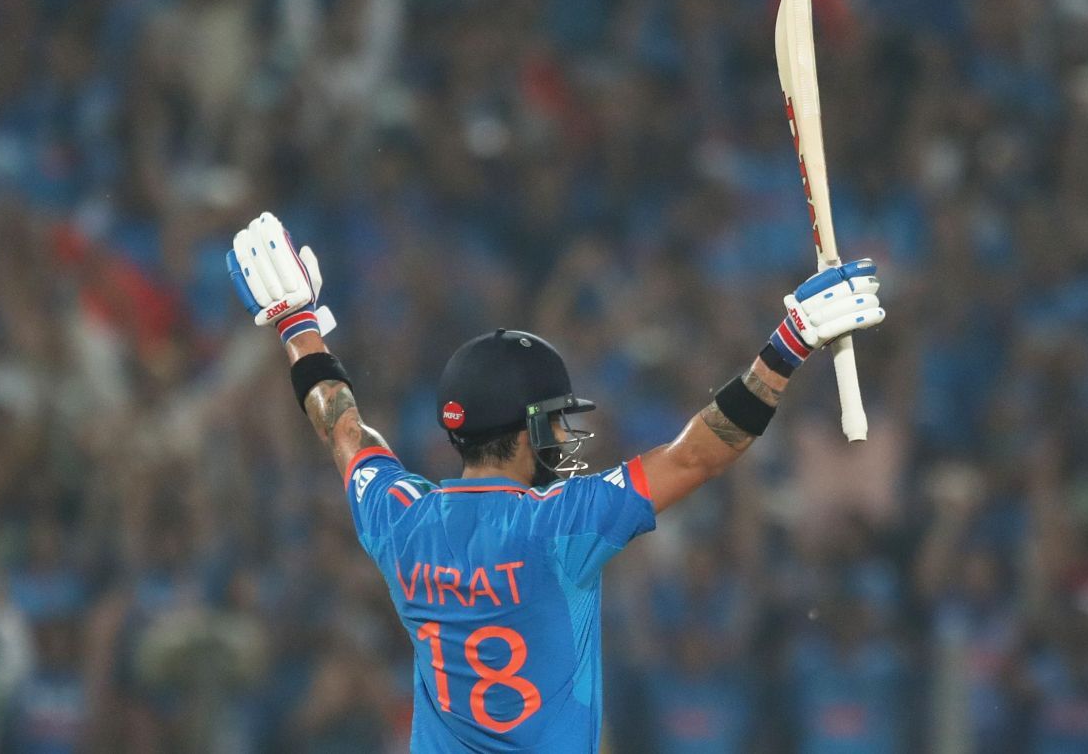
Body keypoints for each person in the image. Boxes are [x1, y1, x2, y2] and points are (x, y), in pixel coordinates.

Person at [228, 211, 885, 751]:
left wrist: (296, 324)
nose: (563, 438)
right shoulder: (556, 525)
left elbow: (341, 427)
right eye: (551, 422)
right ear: (523, 430)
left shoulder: (400, 519)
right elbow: (699, 455)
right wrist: (789, 344)